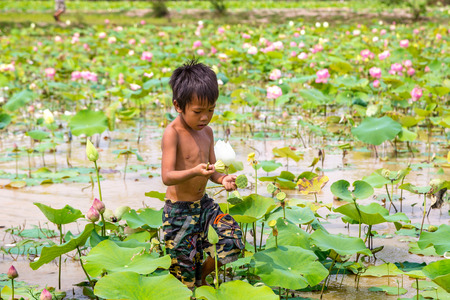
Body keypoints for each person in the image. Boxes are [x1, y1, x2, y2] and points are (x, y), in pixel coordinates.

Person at [161, 59, 244, 289]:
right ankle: (191, 281)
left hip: (204, 205)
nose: (205, 117)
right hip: (178, 212)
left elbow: (211, 170)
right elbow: (167, 176)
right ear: (178, 106)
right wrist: (193, 171)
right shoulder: (172, 133)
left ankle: (203, 275)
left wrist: (223, 178)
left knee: (232, 239)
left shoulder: (207, 132)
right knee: (182, 280)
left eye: (211, 110)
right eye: (198, 111)